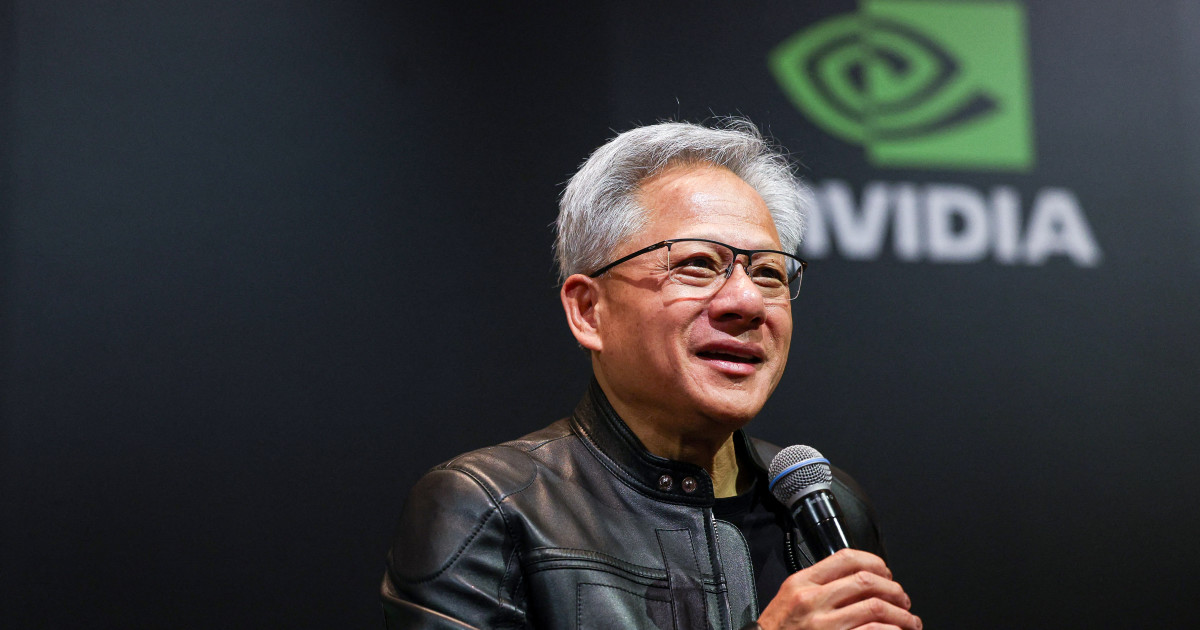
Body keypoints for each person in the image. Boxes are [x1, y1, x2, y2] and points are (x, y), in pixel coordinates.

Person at [380, 119, 921, 630]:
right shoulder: (489, 509)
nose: (747, 301)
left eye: (768, 273)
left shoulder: (829, 504)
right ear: (589, 311)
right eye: (698, 265)